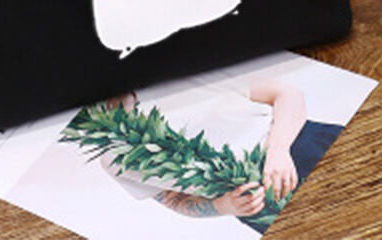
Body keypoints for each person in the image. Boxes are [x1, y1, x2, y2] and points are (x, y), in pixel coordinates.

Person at [102, 78, 342, 233]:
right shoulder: (113, 155)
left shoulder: (179, 69)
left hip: (300, 147)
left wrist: (278, 149)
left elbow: (287, 93)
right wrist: (222, 206)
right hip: (258, 204)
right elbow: (174, 200)